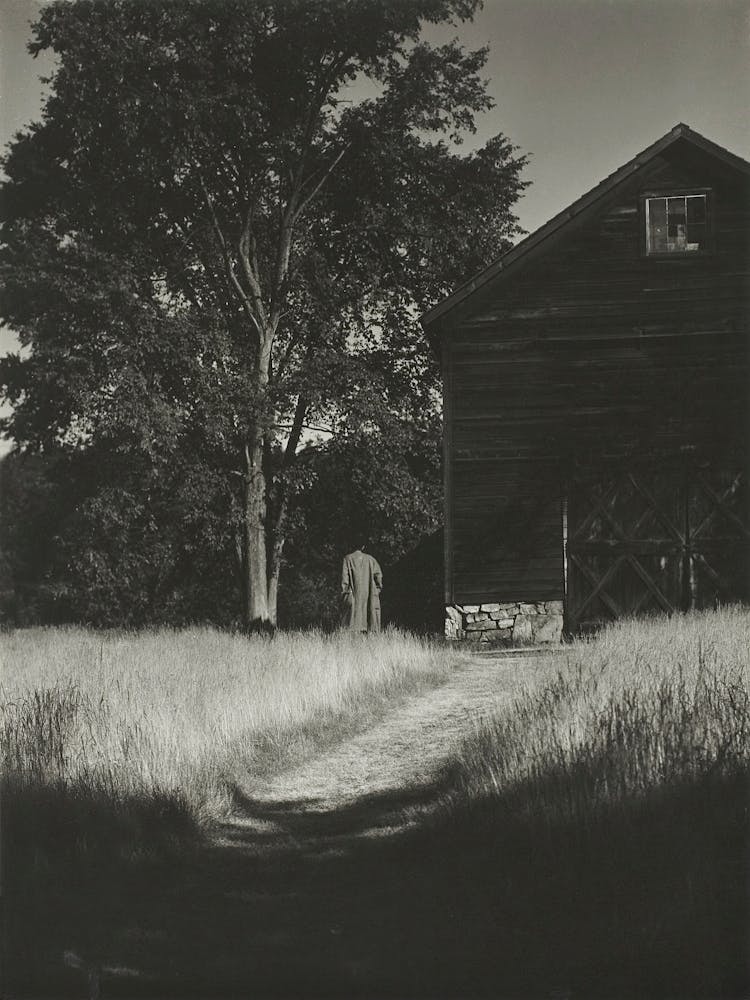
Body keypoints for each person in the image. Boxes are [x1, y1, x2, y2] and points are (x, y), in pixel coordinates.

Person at [341, 543, 383, 633]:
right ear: (363, 546)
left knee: (351, 627)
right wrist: (376, 590)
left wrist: (346, 595)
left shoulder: (347, 559)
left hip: (353, 599)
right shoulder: (371, 560)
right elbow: (379, 576)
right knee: (370, 625)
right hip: (370, 596)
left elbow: (344, 581)